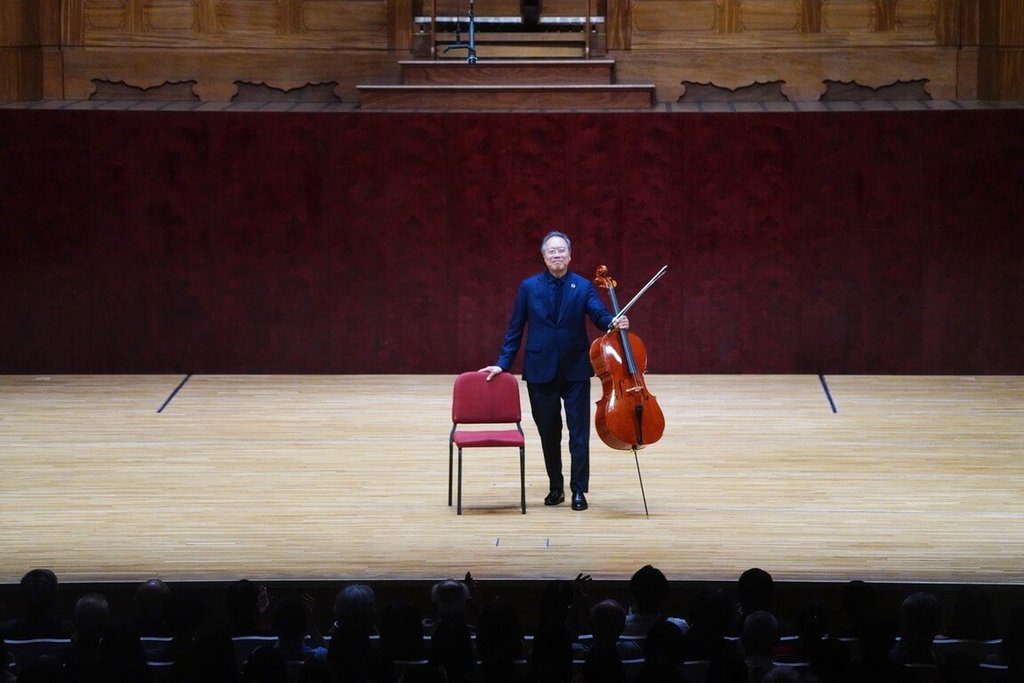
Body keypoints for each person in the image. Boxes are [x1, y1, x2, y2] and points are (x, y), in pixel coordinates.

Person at [481, 231, 628, 511]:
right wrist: (503, 363)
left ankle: (578, 491)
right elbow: (515, 329)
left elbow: (598, 314)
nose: (557, 255)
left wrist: (613, 322)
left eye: (562, 250)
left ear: (570, 256)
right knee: (550, 433)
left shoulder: (583, 286)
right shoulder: (529, 287)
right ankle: (555, 487)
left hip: (575, 370)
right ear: (544, 257)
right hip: (540, 371)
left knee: (579, 434)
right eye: (552, 251)